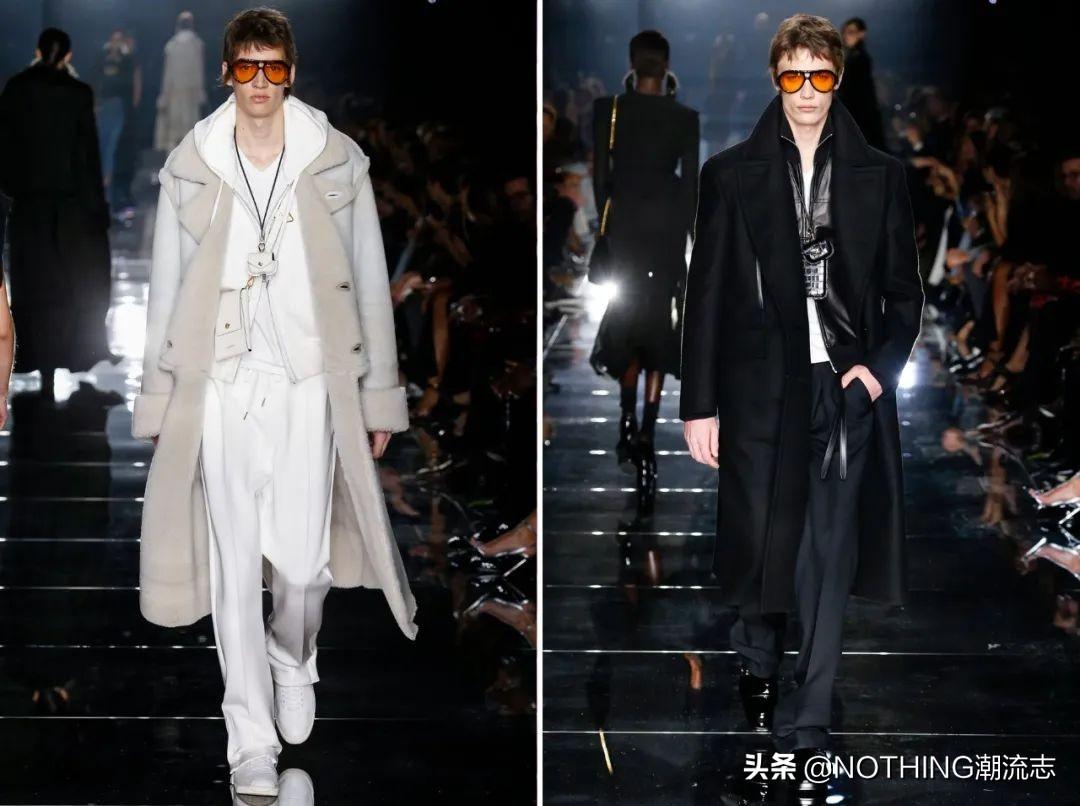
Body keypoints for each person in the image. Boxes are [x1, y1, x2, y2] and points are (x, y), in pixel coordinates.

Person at [132, 8, 417, 797]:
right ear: (227, 72)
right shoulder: (193, 164)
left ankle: (294, 654)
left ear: (292, 73)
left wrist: (377, 398)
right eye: (247, 67)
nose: (260, 82)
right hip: (222, 383)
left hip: (307, 381)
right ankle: (248, 746)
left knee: (302, 565)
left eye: (274, 67)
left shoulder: (335, 160)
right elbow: (166, 289)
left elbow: (368, 280)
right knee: (234, 568)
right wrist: (161, 398)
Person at [679, 12, 923, 784]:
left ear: (838, 79)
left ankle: (811, 715)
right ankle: (757, 654)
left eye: (820, 75)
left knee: (827, 552)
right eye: (794, 75)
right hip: (757, 392)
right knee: (764, 540)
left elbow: (904, 295)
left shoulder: (880, 175)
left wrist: (876, 371)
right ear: (775, 78)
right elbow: (706, 295)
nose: (808, 89)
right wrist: (698, 403)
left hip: (841, 391)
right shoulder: (731, 175)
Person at [589, 29, 699, 513]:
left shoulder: (609, 110)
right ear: (667, 64)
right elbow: (691, 184)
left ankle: (627, 419)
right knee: (658, 323)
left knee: (625, 317)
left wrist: (605, 228)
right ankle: (648, 430)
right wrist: (691, 239)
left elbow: (600, 176)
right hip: (667, 231)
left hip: (626, 229)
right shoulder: (685, 117)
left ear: (632, 63)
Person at [0, 27, 113, 396]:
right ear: (68, 55)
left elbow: (5, 146)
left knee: (33, 284)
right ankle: (67, 356)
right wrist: (97, 209)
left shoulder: (17, 88)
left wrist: (11, 190)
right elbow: (87, 157)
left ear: (37, 50)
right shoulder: (78, 93)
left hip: (29, 204)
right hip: (70, 206)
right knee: (70, 283)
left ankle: (39, 361)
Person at [93, 28, 139, 210]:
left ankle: (118, 195)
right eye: (114, 40)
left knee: (117, 152)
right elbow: (96, 81)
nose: (116, 44)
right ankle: (107, 195)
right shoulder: (102, 59)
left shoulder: (127, 61)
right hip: (105, 107)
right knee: (105, 151)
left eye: (120, 40)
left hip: (121, 109)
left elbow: (133, 83)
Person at [154, 10, 207, 153]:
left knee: (173, 132)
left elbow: (168, 74)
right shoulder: (197, 44)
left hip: (174, 94)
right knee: (190, 132)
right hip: (191, 94)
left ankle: (172, 164)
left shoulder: (171, 45)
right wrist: (200, 94)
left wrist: (164, 97)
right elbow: (198, 71)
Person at [837, 17, 885, 149]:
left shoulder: (859, 60)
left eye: (851, 32)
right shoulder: (853, 58)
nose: (846, 36)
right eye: (845, 32)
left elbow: (854, 93)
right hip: (857, 116)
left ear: (861, 34)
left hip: (858, 116)